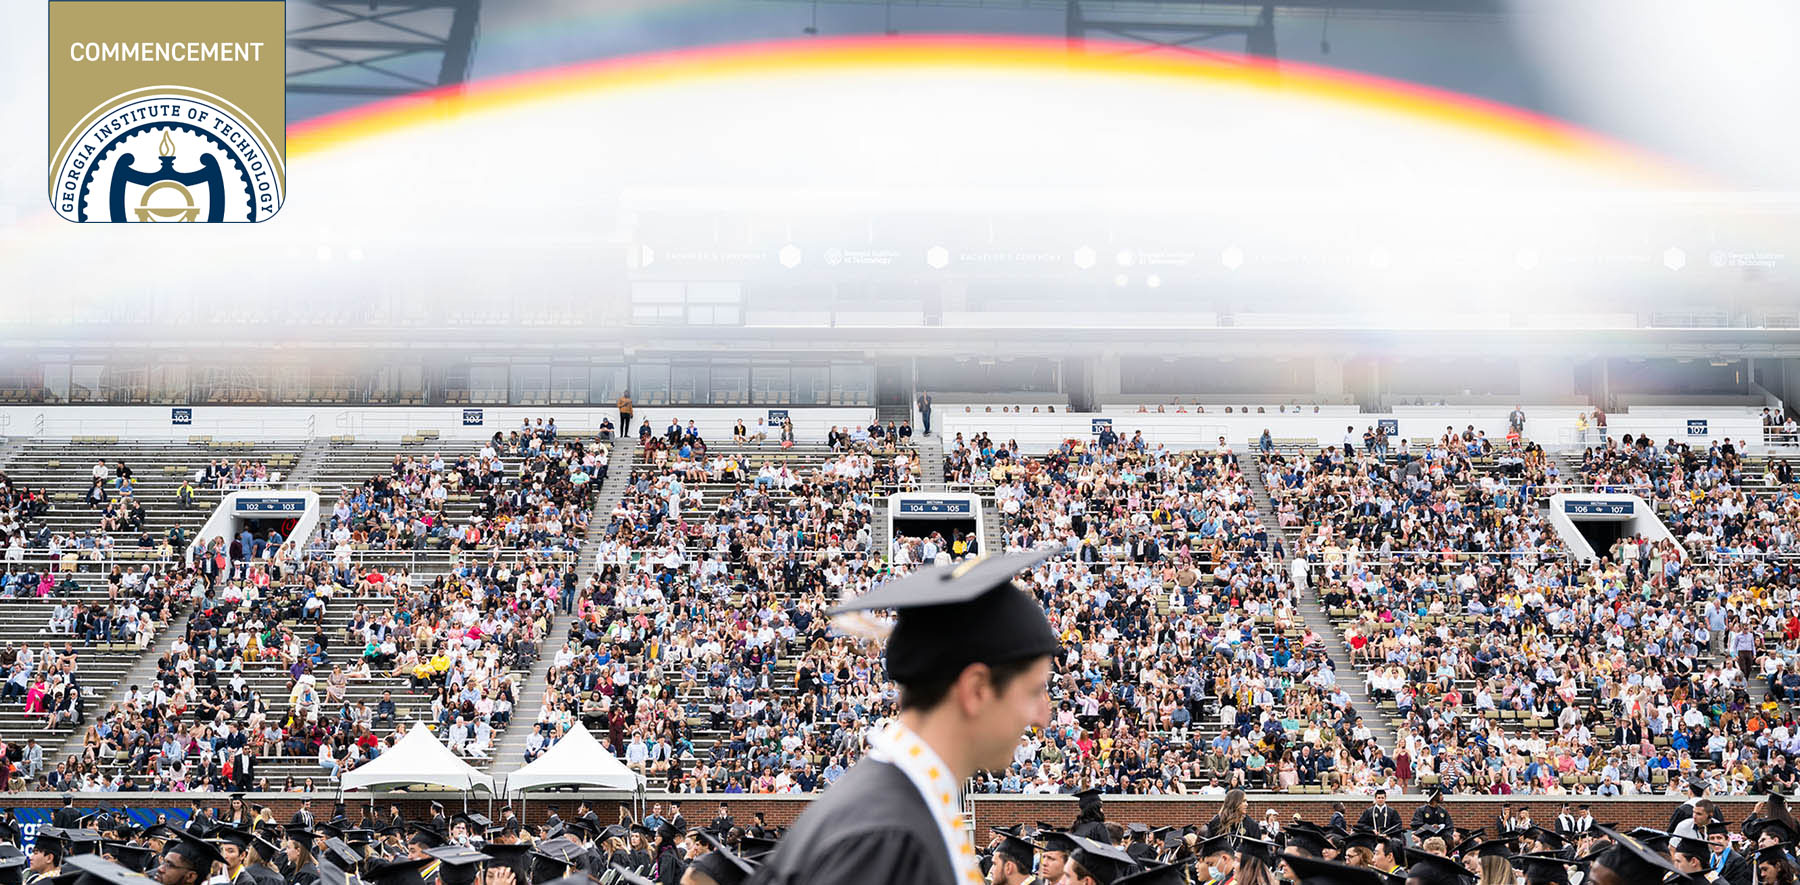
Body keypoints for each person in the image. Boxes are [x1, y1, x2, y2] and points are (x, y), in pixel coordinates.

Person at [748, 549, 1062, 885]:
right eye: (1032, 691)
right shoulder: (885, 843)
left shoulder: (896, 812)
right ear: (976, 690)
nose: (1043, 716)